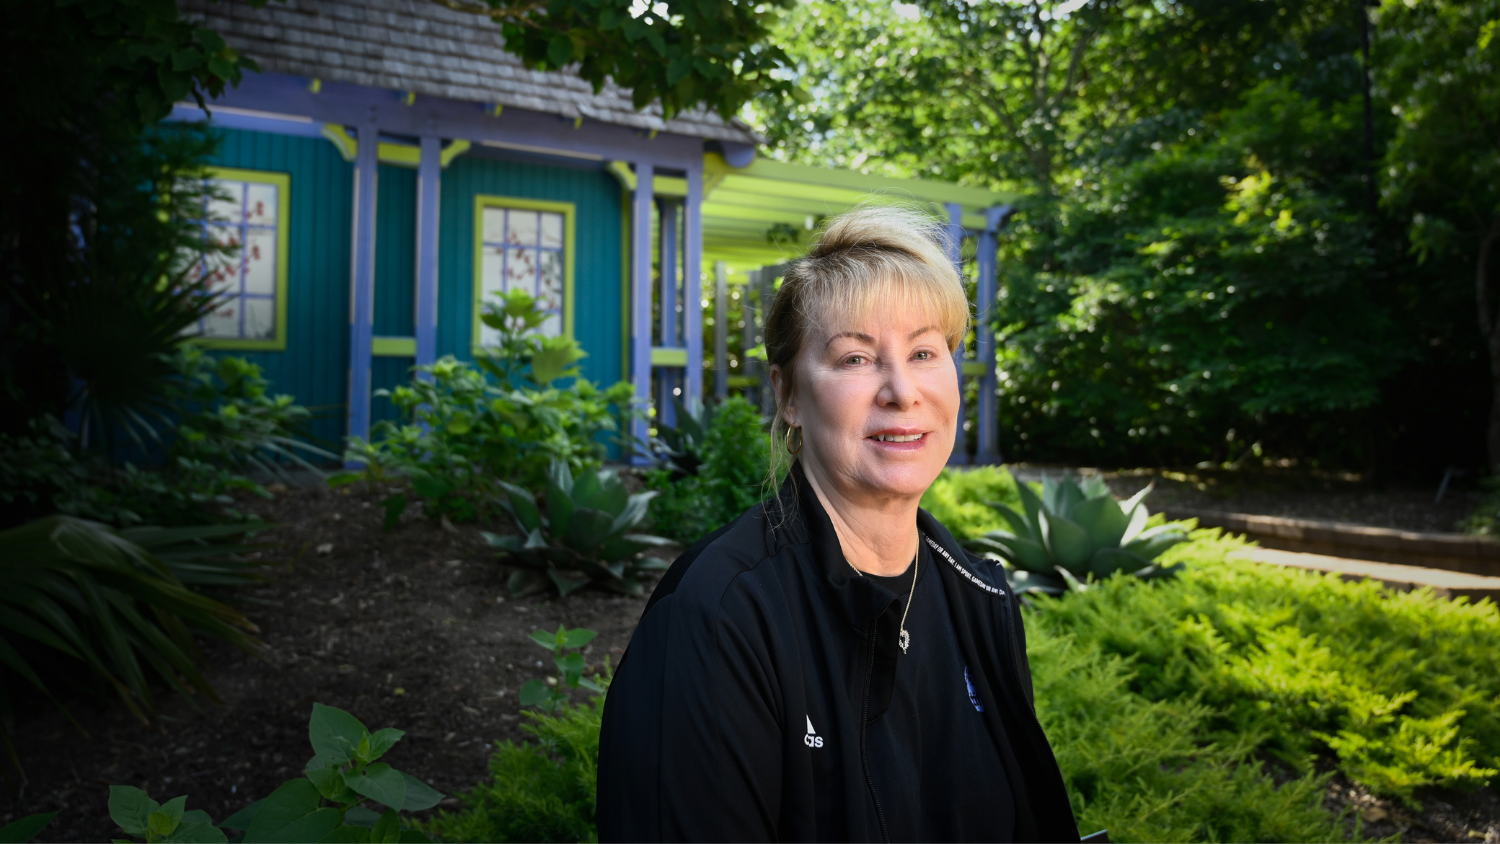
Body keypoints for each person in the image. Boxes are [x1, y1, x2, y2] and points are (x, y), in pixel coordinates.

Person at [597, 205, 1079, 843]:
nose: (902, 391)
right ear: (789, 395)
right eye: (855, 359)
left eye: (925, 351)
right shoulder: (717, 620)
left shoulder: (980, 599)